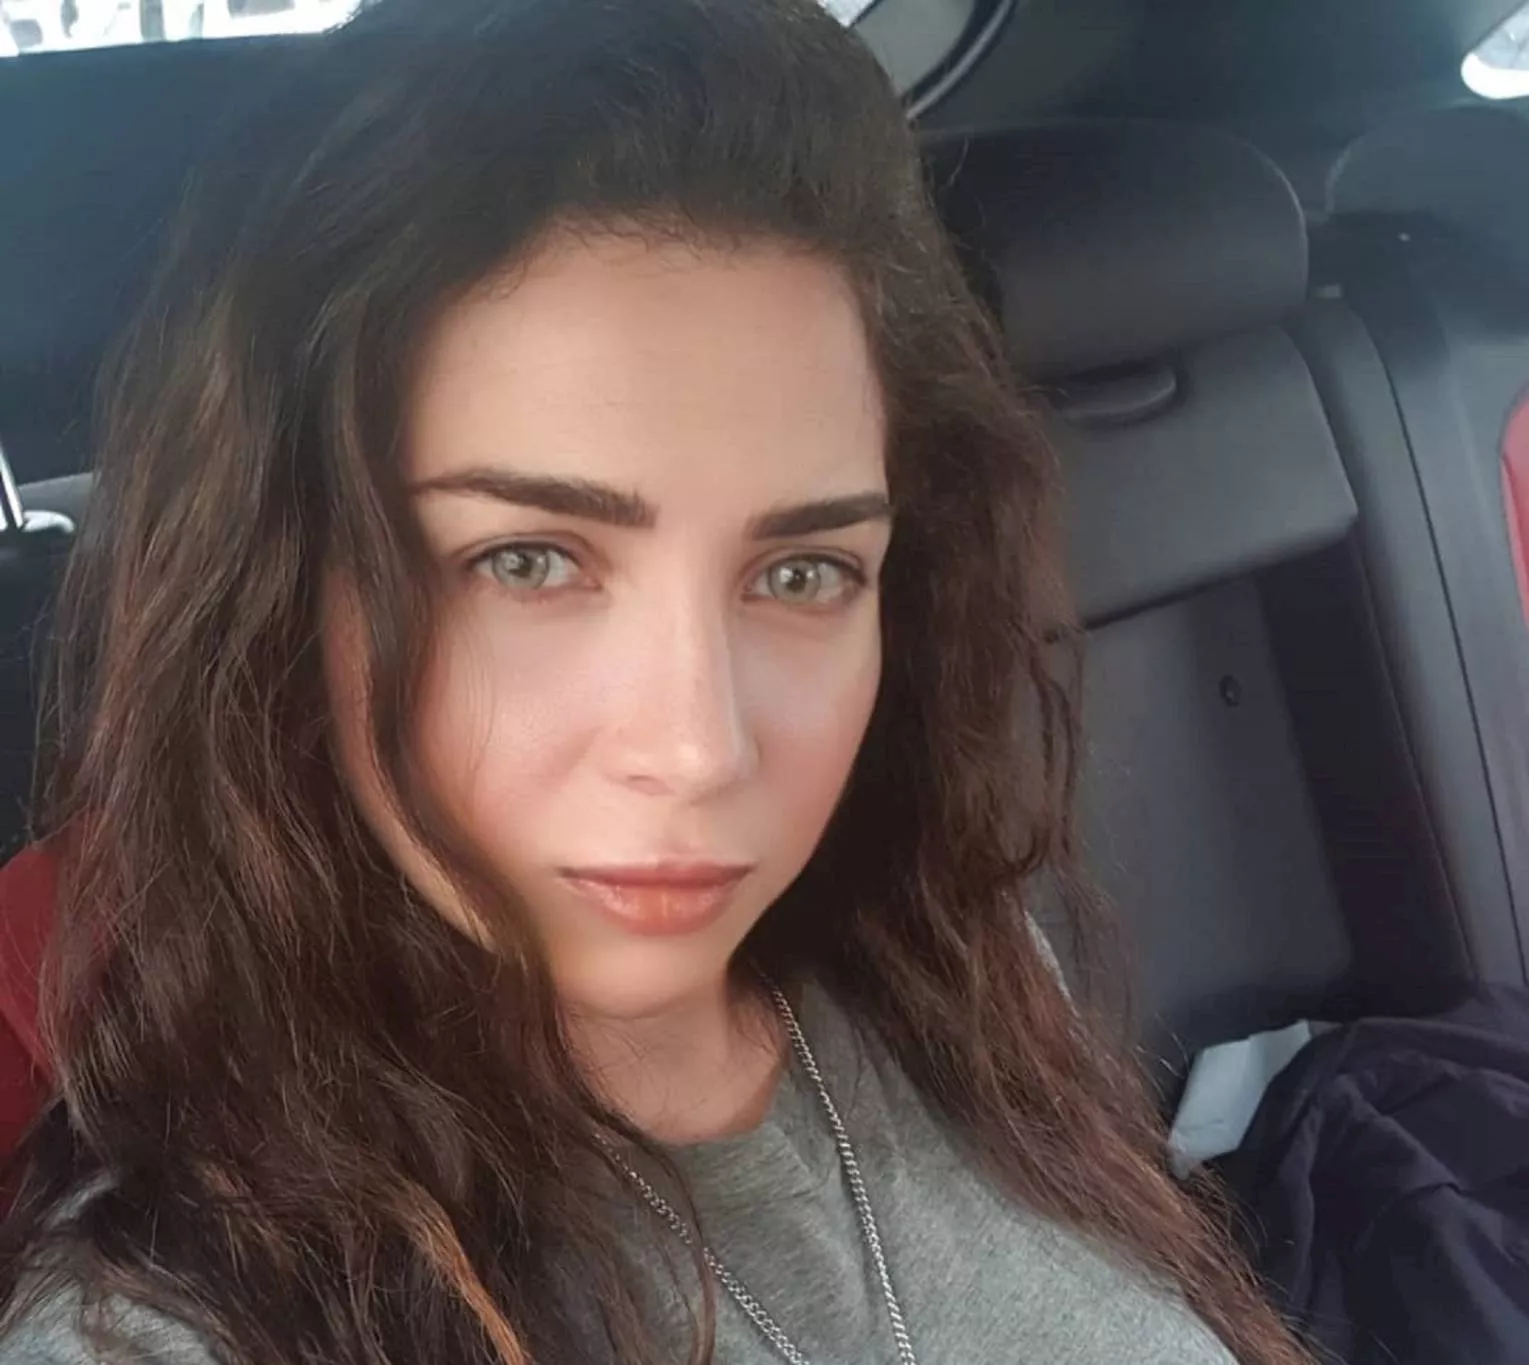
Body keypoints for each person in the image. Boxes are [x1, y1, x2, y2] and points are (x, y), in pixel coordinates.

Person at [0, 1, 1312, 1362]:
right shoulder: (168, 1328)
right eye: (526, 562)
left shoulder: (961, 967)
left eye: (801, 573)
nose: (698, 749)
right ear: (283, 596)